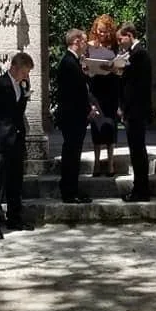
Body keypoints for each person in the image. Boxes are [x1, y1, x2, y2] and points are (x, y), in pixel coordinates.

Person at [0, 52, 36, 239]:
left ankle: (15, 217)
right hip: (1, 141)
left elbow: (19, 111)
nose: (26, 76)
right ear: (15, 68)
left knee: (15, 181)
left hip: (17, 140)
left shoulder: (22, 85)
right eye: (25, 72)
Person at [56, 29, 94, 204]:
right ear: (76, 42)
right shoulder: (69, 63)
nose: (86, 45)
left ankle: (71, 189)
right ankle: (69, 192)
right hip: (73, 117)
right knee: (71, 154)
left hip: (73, 116)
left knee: (73, 154)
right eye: (84, 41)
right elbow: (76, 93)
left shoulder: (72, 61)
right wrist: (88, 109)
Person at [117, 23, 152, 202]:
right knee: (136, 150)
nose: (119, 42)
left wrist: (121, 70)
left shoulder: (139, 54)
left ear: (129, 35)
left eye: (121, 38)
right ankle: (139, 188)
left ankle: (141, 190)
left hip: (136, 110)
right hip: (133, 110)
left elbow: (135, 86)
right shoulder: (133, 54)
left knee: (138, 151)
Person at [85, 15, 120, 177]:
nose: (103, 34)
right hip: (95, 90)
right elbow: (83, 67)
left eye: (106, 31)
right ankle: (97, 163)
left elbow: (121, 68)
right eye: (100, 31)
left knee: (111, 125)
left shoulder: (115, 47)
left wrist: (114, 69)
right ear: (95, 30)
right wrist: (88, 69)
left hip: (111, 90)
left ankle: (111, 163)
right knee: (97, 125)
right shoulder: (88, 47)